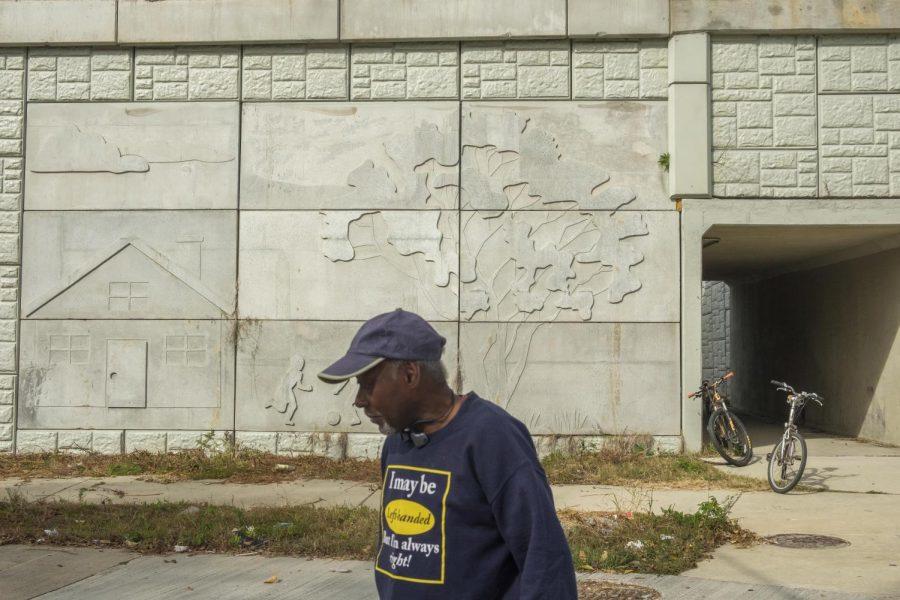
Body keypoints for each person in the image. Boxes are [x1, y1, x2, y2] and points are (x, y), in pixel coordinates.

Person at [318, 309, 577, 599]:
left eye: (368, 384)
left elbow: (543, 556)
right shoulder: (398, 441)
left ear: (409, 374)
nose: (359, 400)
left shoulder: (491, 436)